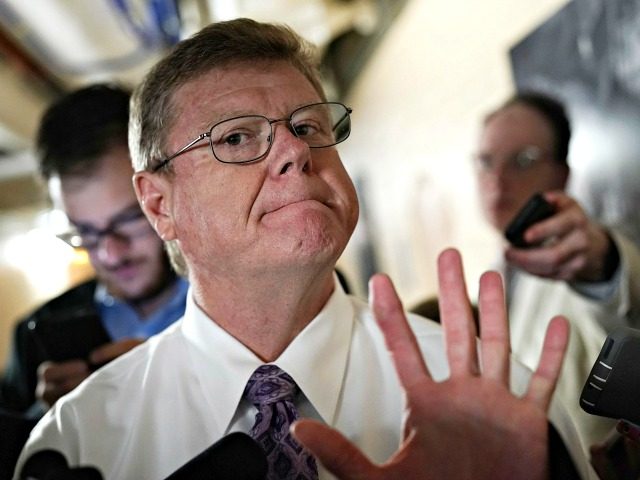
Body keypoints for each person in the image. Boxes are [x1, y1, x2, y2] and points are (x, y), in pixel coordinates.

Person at [15, 20, 593, 480]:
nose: (294, 150)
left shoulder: (493, 400)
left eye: (310, 125)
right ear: (161, 206)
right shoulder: (80, 442)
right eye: (237, 137)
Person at [0, 84, 188, 419]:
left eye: (130, 220)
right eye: (85, 232)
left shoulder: (235, 305)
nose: (111, 254)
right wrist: (46, 419)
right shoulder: (36, 336)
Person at [469, 91, 640, 453]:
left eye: (524, 160)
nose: (498, 180)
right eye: (486, 161)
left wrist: (601, 267)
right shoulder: (497, 274)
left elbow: (623, 298)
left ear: (562, 174)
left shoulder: (582, 252)